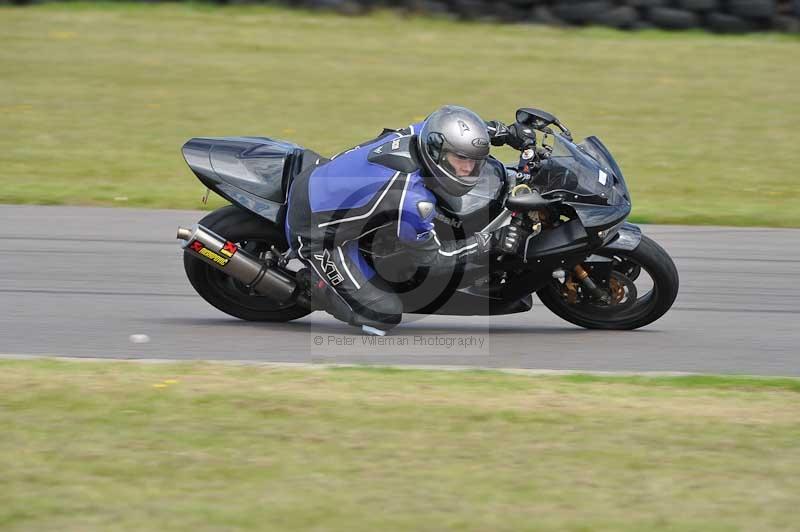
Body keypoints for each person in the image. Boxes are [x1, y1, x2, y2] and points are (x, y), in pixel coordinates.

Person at [285, 105, 525, 335]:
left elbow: (452, 126)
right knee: (382, 315)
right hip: (313, 229)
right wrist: (487, 243)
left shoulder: (425, 133)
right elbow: (434, 259)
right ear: (438, 154)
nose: (468, 169)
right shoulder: (412, 200)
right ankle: (317, 285)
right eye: (461, 160)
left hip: (323, 178)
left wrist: (503, 131)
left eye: (473, 161)